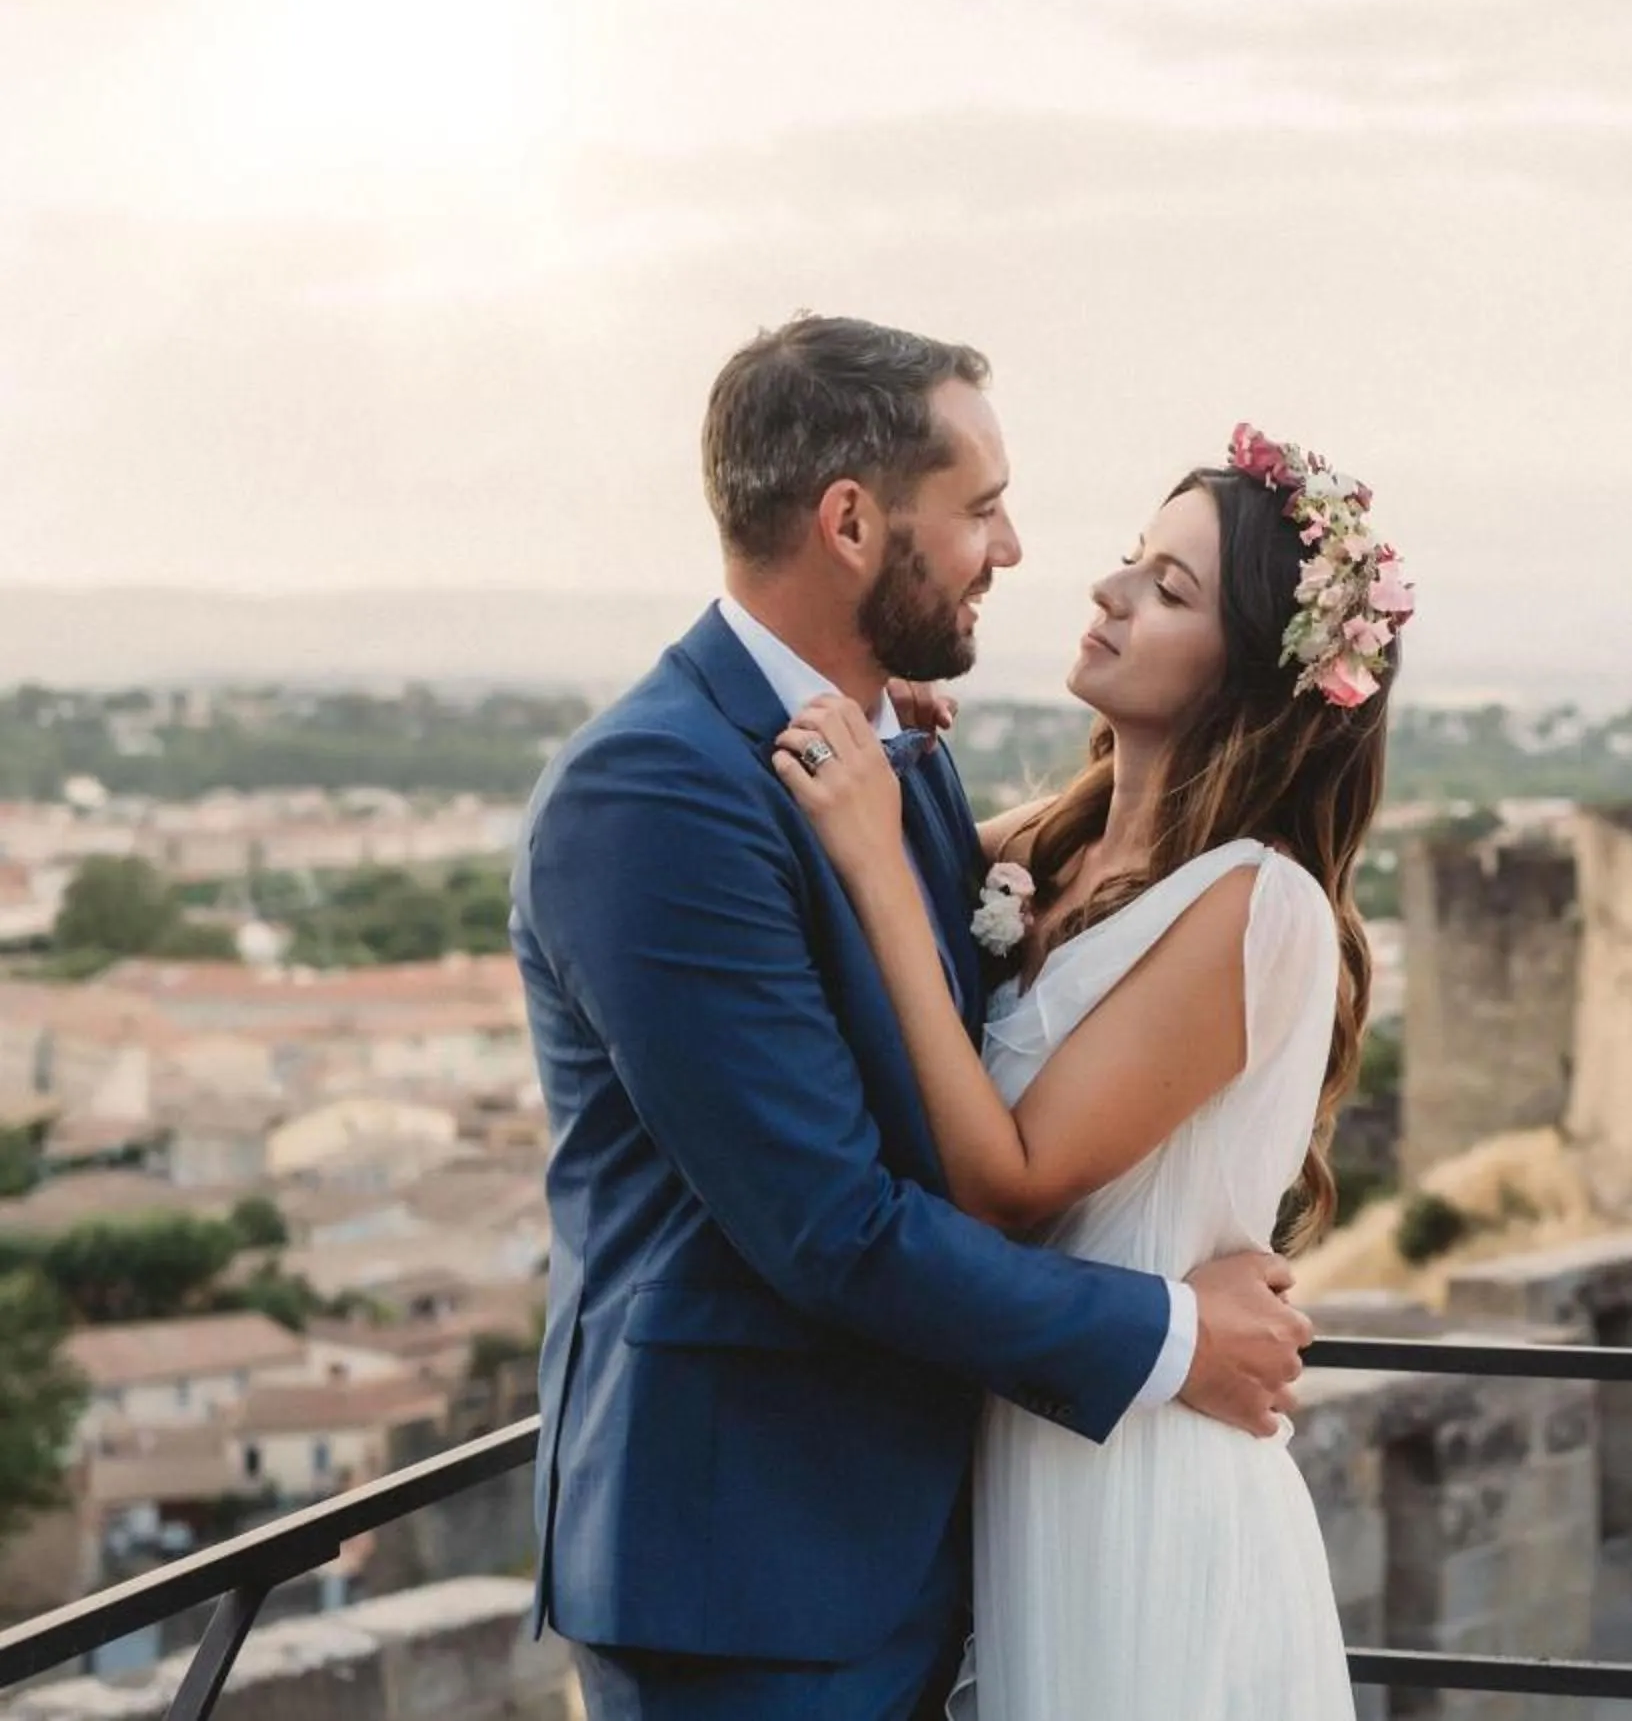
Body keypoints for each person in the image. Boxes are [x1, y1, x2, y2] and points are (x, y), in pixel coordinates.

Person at [511, 317, 1318, 1720]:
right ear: (849, 522)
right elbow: (834, 1225)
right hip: (747, 1569)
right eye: (980, 510)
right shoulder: (654, 793)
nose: (1011, 550)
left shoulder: (890, 754)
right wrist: (1176, 1335)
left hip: (924, 1546)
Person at [771, 414, 1410, 1720]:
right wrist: (908, 761)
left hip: (1147, 1484)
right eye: (1131, 559)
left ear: (1254, 672)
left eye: (1168, 588)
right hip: (1031, 1458)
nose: (1108, 591)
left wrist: (883, 862)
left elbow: (1011, 1182)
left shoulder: (1258, 902)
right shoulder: (1055, 852)